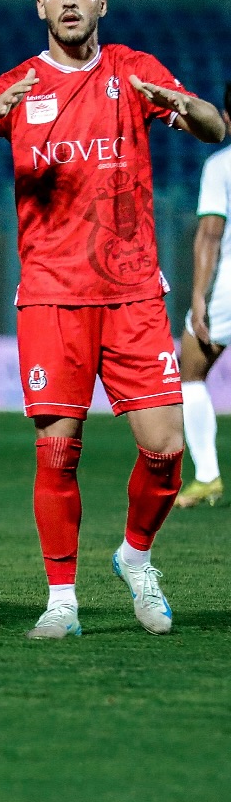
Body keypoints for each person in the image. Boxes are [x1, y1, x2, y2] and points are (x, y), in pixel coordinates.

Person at [0, 0, 225, 638]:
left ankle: (135, 556)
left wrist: (183, 103)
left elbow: (217, 127)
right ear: (41, 6)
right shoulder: (19, 85)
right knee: (58, 451)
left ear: (102, 2)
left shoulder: (133, 71)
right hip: (52, 297)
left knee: (165, 449)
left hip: (132, 295)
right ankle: (61, 598)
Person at [176, 84, 231, 508]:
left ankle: (208, 475)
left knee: (191, 368)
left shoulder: (221, 166)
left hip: (227, 289)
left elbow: (210, 236)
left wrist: (198, 296)